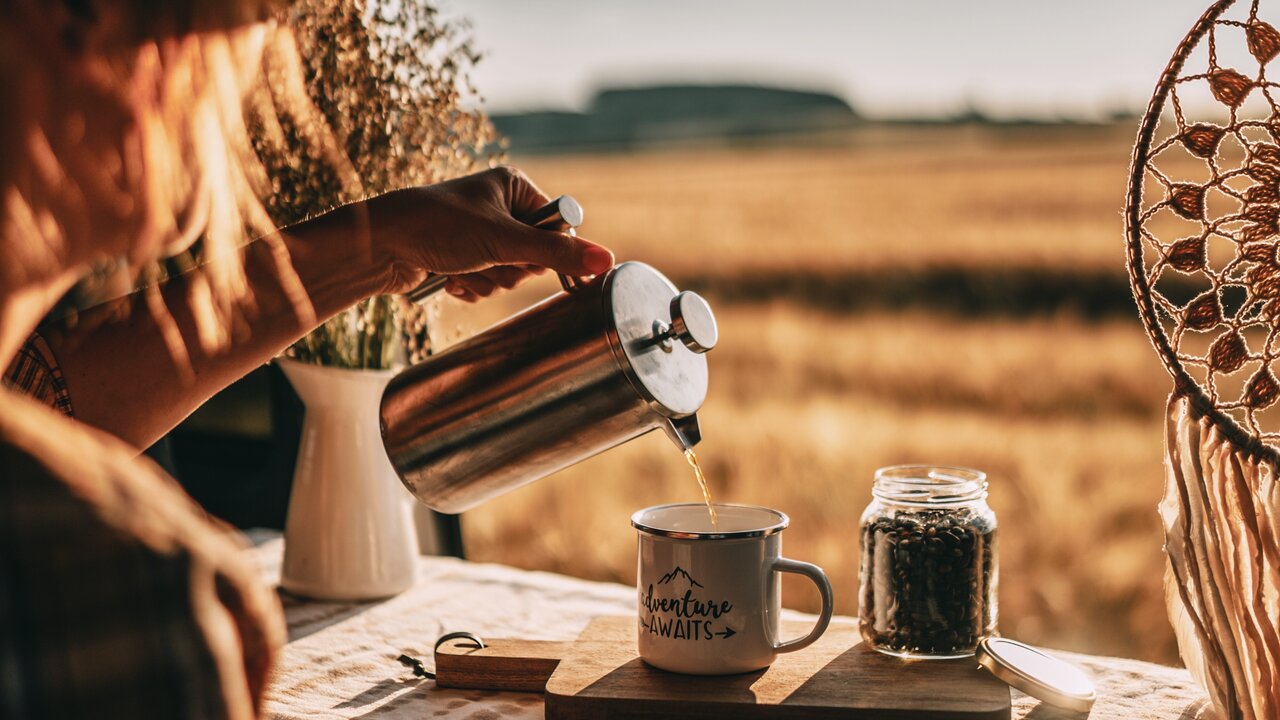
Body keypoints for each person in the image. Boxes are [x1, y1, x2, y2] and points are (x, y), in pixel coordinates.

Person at [0, 1, 614, 717]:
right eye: (262, 12)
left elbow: (35, 397)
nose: (270, 62)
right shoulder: (125, 597)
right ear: (89, 27)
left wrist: (386, 243)